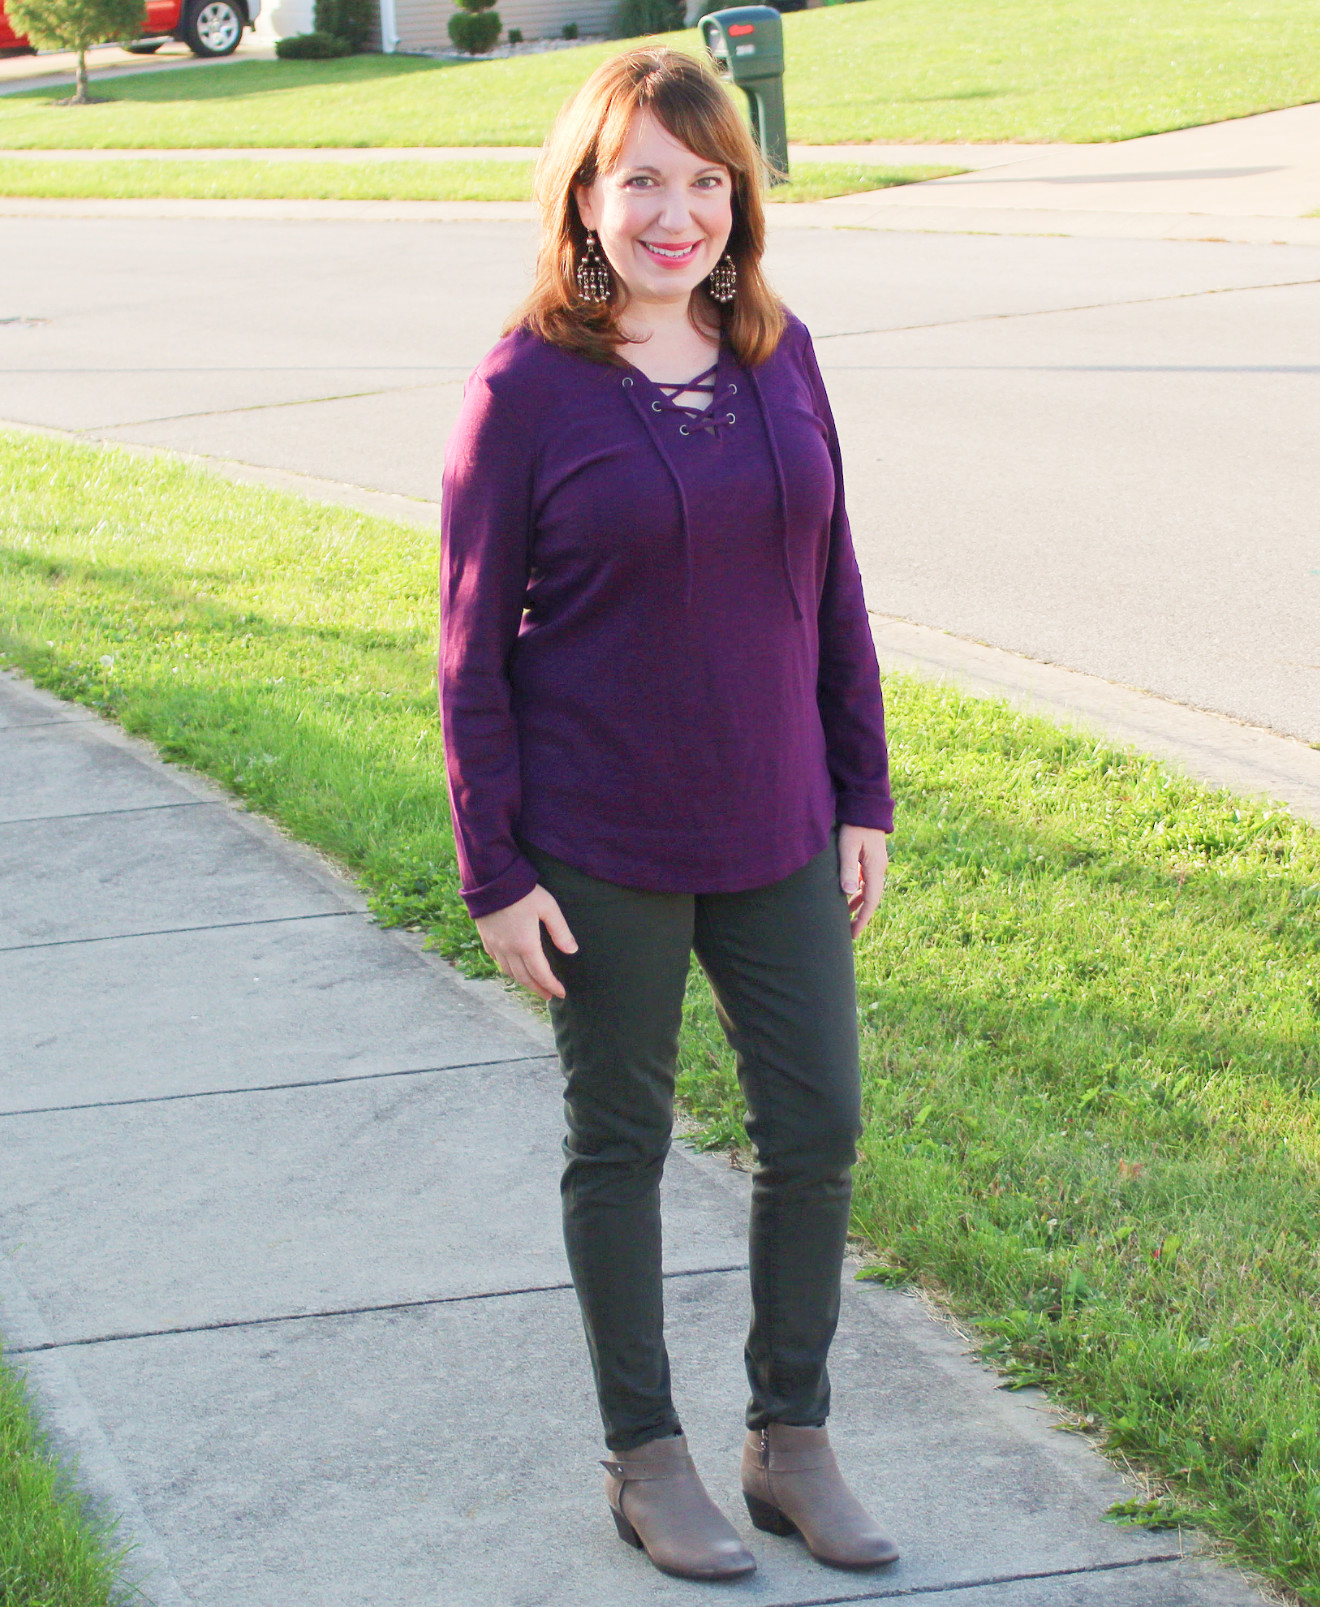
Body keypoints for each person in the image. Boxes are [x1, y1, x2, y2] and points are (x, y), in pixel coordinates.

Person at [439, 46, 899, 1584]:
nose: (676, 212)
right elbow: (467, 649)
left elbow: (830, 583)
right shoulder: (523, 391)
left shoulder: (779, 351)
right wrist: (495, 871)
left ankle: (791, 1439)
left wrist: (861, 791)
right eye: (642, 178)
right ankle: (645, 1459)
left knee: (817, 1123)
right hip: (599, 844)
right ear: (583, 192)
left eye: (706, 182)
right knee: (619, 1141)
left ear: (737, 198)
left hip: (777, 818)